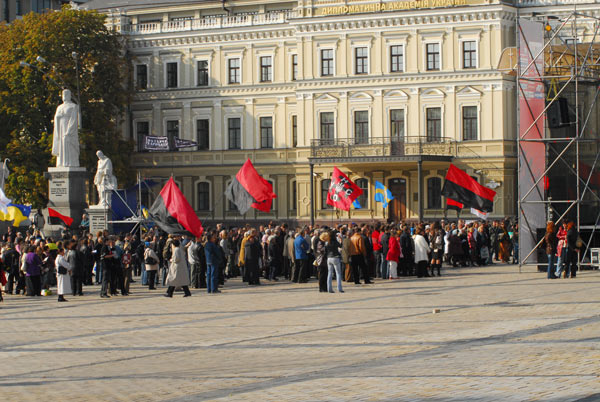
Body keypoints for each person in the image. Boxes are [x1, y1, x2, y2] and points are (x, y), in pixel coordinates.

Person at [51, 88, 80, 167]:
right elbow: (56, 118)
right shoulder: (59, 107)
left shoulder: (73, 106)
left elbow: (74, 120)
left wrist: (69, 131)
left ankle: (70, 163)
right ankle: (61, 163)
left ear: (69, 95)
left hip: (68, 128)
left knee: (68, 142)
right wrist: (58, 117)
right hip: (61, 128)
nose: (64, 96)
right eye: (63, 94)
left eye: (66, 94)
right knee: (62, 143)